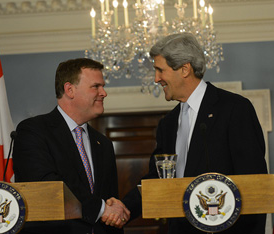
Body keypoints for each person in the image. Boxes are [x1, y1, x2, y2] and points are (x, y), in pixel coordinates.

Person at [113, 33, 268, 233]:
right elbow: (157, 178)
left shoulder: (235, 109)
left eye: (160, 70)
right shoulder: (167, 124)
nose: (156, 79)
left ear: (185, 69)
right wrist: (124, 208)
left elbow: (254, 184)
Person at [12, 58, 130, 234]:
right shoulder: (33, 131)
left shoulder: (103, 143)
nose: (103, 92)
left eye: (102, 86)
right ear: (69, 90)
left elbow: (110, 204)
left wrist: (114, 212)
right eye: (96, 86)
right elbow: (49, 187)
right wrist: (102, 208)